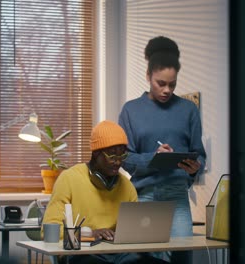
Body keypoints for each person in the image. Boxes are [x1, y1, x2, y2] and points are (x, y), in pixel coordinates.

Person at [118, 36, 207, 263]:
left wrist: (195, 167)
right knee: (143, 261)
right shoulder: (131, 110)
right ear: (148, 76)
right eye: (161, 83)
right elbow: (124, 158)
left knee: (180, 258)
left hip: (177, 195)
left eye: (172, 84)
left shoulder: (188, 110)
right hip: (144, 195)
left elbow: (200, 153)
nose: (167, 90)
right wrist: (153, 158)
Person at [42, 120, 167, 264]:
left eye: (122, 156)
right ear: (96, 154)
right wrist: (89, 234)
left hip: (119, 255)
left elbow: (134, 232)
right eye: (112, 156)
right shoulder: (69, 179)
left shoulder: (127, 186)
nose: (118, 162)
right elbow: (49, 231)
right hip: (81, 253)